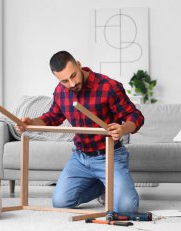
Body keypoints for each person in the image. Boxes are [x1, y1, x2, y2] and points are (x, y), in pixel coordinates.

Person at [15, 51, 144, 212]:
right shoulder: (60, 92)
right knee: (60, 202)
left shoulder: (109, 86)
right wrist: (30, 123)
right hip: (80, 157)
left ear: (79, 64)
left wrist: (123, 129)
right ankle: (104, 187)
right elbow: (52, 117)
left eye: (73, 76)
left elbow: (136, 116)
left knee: (126, 209)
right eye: (64, 81)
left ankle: (112, 187)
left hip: (109, 156)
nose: (71, 83)